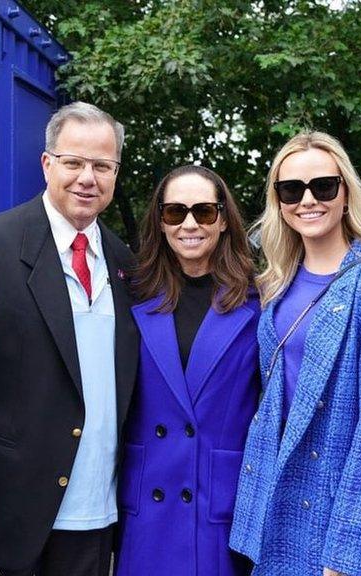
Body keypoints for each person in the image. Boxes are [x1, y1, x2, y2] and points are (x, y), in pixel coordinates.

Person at [0, 101, 139, 576]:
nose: (87, 177)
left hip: (97, 514)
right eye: (73, 162)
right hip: (5, 513)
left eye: (102, 166)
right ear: (47, 163)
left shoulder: (126, 261)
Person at [230, 131, 361, 575]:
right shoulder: (275, 287)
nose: (307, 200)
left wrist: (343, 560)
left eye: (323, 186)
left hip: (337, 514)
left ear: (346, 193)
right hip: (278, 502)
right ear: (278, 201)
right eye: (291, 189)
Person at [114, 165, 258, 576]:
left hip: (217, 503)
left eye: (204, 212)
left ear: (224, 220)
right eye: (176, 212)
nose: (190, 224)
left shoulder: (259, 302)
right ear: (160, 222)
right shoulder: (132, 297)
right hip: (148, 503)